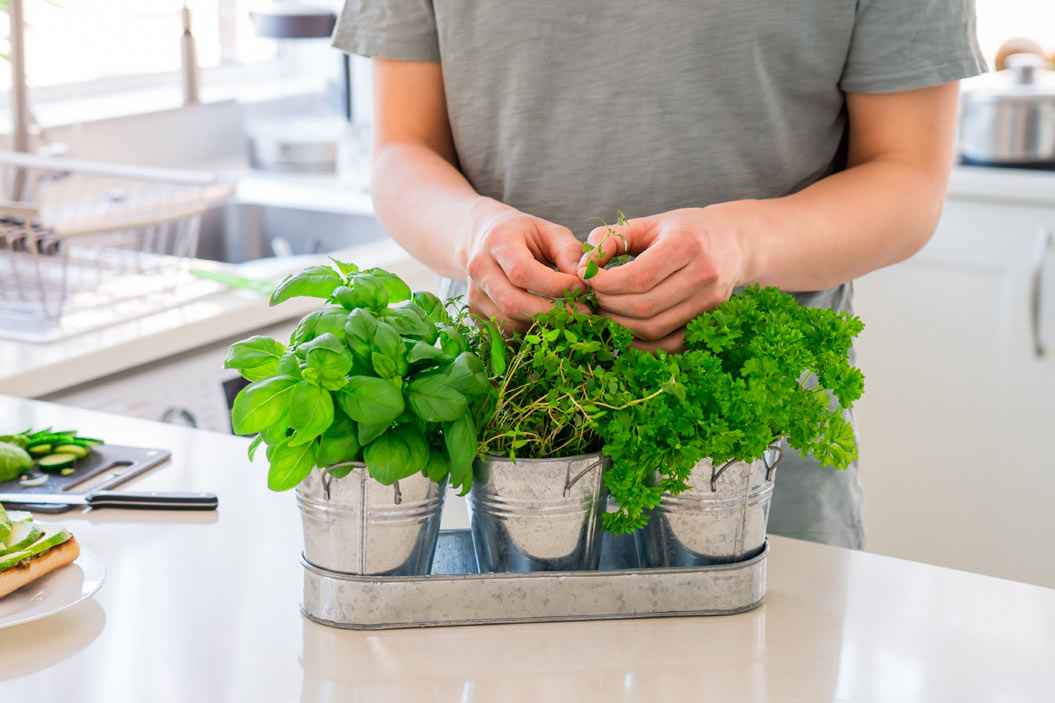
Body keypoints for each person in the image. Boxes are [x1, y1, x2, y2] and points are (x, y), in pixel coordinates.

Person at [332, 0, 985, 548]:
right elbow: (400, 147)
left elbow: (908, 176)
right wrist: (472, 231)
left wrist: (739, 243)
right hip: (495, 461)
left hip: (750, 479)